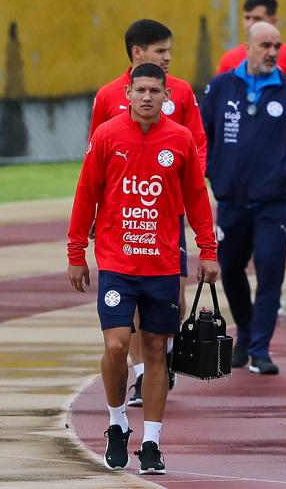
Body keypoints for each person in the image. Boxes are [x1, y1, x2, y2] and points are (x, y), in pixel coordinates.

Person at [67, 62, 220, 474]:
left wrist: (208, 250)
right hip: (117, 263)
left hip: (163, 265)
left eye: (156, 90)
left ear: (166, 96)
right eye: (141, 90)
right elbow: (86, 193)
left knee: (157, 352)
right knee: (116, 346)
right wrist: (76, 251)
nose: (148, 97)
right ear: (129, 94)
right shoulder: (107, 135)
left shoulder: (181, 139)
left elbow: (196, 199)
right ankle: (117, 424)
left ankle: (151, 442)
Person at [90, 19, 207, 406]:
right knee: (127, 304)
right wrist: (97, 216)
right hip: (123, 220)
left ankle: (162, 353)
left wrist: (182, 193)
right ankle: (141, 374)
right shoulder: (107, 96)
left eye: (170, 50)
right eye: (160, 51)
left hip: (167, 216)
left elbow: (195, 150)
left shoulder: (182, 92)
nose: (168, 57)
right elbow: (95, 160)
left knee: (173, 288)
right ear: (137, 53)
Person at [201, 22, 286, 375]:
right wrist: (212, 171)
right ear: (247, 48)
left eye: (277, 45)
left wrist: (281, 174)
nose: (272, 52)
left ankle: (261, 349)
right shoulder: (221, 87)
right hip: (231, 199)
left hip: (272, 202)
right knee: (230, 268)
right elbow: (200, 135)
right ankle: (246, 334)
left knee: (269, 271)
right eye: (265, 45)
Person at [215, 0, 286, 178]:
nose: (250, 23)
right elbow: (217, 109)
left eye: (257, 18)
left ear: (273, 20)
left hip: (279, 153)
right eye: (246, 18)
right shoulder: (229, 59)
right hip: (237, 155)